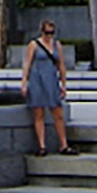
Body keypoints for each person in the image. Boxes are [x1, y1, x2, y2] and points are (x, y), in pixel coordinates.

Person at [21, 21, 73, 156]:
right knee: (39, 113)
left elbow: (61, 65)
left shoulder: (57, 45)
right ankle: (42, 146)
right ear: (41, 32)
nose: (49, 36)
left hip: (51, 80)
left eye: (51, 33)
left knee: (58, 113)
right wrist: (24, 82)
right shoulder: (34, 45)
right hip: (37, 79)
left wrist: (63, 84)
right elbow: (27, 64)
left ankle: (64, 144)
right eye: (46, 33)